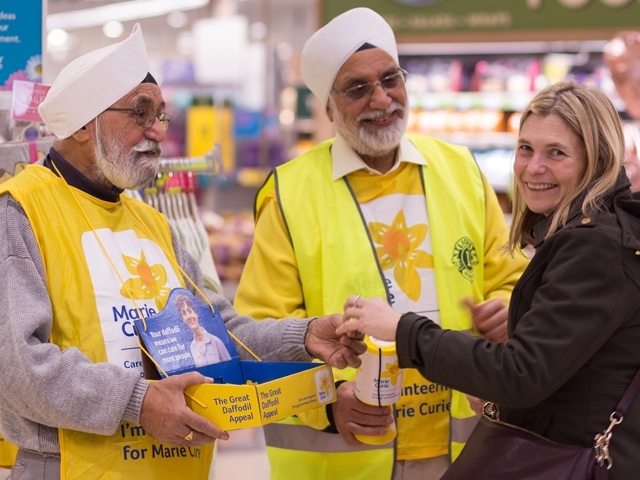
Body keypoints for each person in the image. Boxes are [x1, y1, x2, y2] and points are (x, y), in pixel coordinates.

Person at [0, 24, 365, 480]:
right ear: (80, 124)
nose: (157, 131)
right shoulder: (20, 211)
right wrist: (140, 402)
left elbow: (218, 330)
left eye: (161, 115)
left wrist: (304, 336)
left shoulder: (152, 224)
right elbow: (14, 366)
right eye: (140, 113)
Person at [233, 7, 529, 480]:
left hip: (467, 451)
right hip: (349, 459)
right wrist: (327, 403)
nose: (382, 98)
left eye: (391, 78)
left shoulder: (461, 171)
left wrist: (507, 308)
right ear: (327, 107)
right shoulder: (289, 193)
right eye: (357, 88)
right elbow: (258, 335)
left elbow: (512, 279)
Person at [338, 80, 640, 480]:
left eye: (557, 153)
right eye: (526, 148)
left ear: (596, 159)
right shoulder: (595, 231)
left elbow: (522, 375)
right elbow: (568, 373)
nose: (533, 168)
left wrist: (402, 329)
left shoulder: (593, 246)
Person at [175, 293, 232, 367]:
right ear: (183, 319)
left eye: (189, 311)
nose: (189, 316)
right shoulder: (192, 347)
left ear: (195, 313)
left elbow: (230, 367)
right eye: (184, 313)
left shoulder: (216, 341)